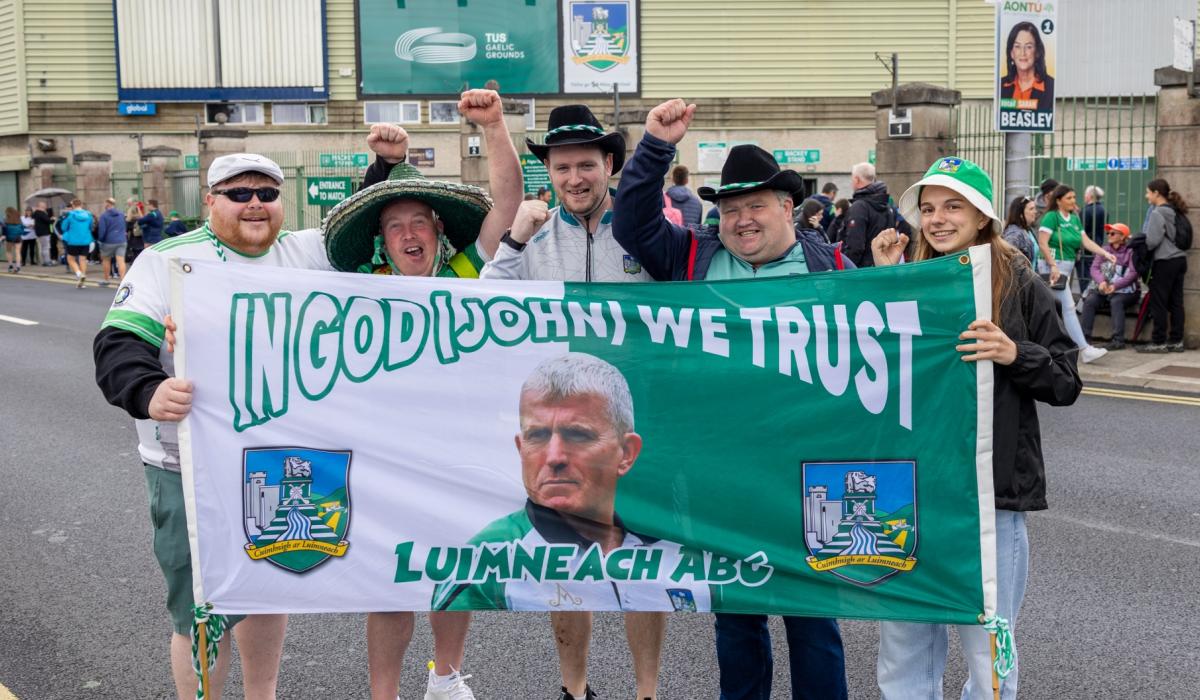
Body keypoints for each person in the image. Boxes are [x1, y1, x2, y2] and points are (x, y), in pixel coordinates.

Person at [612, 98, 850, 700]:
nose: (742, 220)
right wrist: (656, 147)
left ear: (788, 207)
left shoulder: (836, 266)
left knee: (812, 614)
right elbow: (632, 225)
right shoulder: (695, 255)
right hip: (722, 469)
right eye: (731, 209)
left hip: (805, 469)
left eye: (756, 206)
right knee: (736, 616)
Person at [94, 154, 335, 700]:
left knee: (270, 589)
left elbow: (376, 229)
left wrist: (386, 165)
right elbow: (118, 343)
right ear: (210, 200)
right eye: (238, 193)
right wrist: (147, 389)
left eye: (267, 193)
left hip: (284, 458)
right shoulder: (167, 259)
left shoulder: (305, 251)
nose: (255, 203)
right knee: (200, 610)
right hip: (190, 464)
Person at [322, 89, 521, 700]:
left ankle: (445, 674)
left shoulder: (464, 273)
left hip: (457, 447)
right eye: (394, 225)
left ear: (437, 230)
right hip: (384, 451)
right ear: (383, 240)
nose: (409, 233)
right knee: (386, 577)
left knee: (455, 568)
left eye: (418, 222)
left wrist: (492, 127)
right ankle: (384, 691)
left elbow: (508, 204)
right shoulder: (366, 287)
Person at [871, 155, 1081, 700]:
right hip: (909, 494)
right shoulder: (907, 277)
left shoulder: (1020, 284)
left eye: (953, 207)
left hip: (991, 500)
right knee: (905, 641)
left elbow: (1065, 381)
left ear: (982, 214)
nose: (938, 219)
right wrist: (884, 284)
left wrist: (1017, 353)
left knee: (989, 645)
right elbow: (867, 379)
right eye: (929, 208)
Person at [480, 103, 662, 700]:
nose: (574, 179)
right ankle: (574, 690)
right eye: (562, 168)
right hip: (564, 424)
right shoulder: (533, 238)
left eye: (586, 164)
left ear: (610, 164)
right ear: (549, 173)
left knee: (645, 569)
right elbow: (484, 305)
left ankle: (646, 691)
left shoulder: (643, 231)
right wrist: (513, 238)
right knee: (565, 567)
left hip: (637, 422)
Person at [432, 352, 710, 614]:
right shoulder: (482, 564)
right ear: (520, 448)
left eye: (578, 435)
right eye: (538, 435)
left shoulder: (678, 557)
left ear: (626, 454)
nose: (554, 457)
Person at [1036, 184, 1116, 363]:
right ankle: (1084, 349)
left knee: (1055, 309)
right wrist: (1053, 266)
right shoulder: (1051, 217)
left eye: (1074, 197)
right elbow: (1043, 243)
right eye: (1069, 198)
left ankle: (1050, 347)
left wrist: (1104, 253)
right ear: (1058, 200)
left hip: (1067, 267)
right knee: (1068, 308)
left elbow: (1085, 240)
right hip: (1052, 267)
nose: (1073, 201)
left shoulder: (1074, 218)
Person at [1137, 178, 1189, 353]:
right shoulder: (1174, 209)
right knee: (1176, 302)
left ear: (1156, 193)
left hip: (1165, 261)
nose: (1146, 196)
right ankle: (1176, 340)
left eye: (1148, 192)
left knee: (1159, 302)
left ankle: (1158, 341)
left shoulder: (1158, 213)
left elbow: (1152, 241)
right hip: (1180, 260)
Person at [1080, 223, 1138, 350]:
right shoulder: (1104, 250)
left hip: (1126, 291)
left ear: (1123, 237)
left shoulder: (1131, 252)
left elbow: (1133, 274)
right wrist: (1101, 282)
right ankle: (1084, 339)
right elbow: (1094, 268)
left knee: (1116, 301)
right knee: (1090, 301)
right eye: (1108, 233)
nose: (1109, 236)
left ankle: (1118, 340)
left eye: (1112, 233)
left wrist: (1115, 286)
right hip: (1105, 288)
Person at [841, 162, 894, 267]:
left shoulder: (859, 207)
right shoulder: (886, 206)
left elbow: (855, 246)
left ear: (856, 179)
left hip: (860, 272)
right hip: (881, 266)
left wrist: (846, 270)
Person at [999, 21, 1055, 112]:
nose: (1023, 53)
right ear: (1011, 53)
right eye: (1017, 46)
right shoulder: (1001, 85)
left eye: (1028, 47)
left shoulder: (1051, 86)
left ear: (1037, 52)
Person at [60, 199, 94, 287]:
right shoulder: (88, 215)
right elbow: (91, 227)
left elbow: (63, 228)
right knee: (83, 260)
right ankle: (82, 281)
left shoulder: (70, 215)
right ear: (81, 205)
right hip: (86, 240)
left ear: (73, 206)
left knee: (70, 259)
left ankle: (79, 274)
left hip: (73, 241)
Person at [1080, 186, 1106, 293]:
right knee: (1094, 274)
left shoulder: (1086, 211)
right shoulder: (1103, 209)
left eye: (1085, 194)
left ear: (1090, 196)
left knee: (1084, 276)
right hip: (1098, 246)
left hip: (1086, 248)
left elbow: (1081, 231)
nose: (1084, 196)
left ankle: (1085, 298)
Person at [96, 197, 128, 285]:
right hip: (121, 240)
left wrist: (100, 240)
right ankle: (123, 280)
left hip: (108, 241)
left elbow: (102, 230)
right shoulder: (121, 214)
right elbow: (125, 225)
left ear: (107, 205)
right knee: (121, 261)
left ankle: (106, 280)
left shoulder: (104, 216)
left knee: (106, 260)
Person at [1001, 195, 1039, 263]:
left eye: (1035, 208)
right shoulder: (1014, 234)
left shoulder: (1029, 231)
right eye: (1031, 209)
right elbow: (1007, 259)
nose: (1035, 211)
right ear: (1020, 214)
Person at [32, 201, 54, 266]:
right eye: (44, 205)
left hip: (40, 232)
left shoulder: (36, 213)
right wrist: (53, 219)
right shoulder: (40, 213)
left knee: (43, 247)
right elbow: (48, 221)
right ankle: (47, 262)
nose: (45, 206)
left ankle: (44, 261)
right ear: (41, 206)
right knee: (46, 247)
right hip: (44, 232)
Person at [3, 207, 23, 272]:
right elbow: (22, 228)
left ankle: (10, 266)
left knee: (9, 251)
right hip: (18, 237)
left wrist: (3, 236)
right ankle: (18, 266)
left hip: (9, 237)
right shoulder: (19, 219)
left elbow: (4, 229)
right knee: (17, 252)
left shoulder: (6, 219)